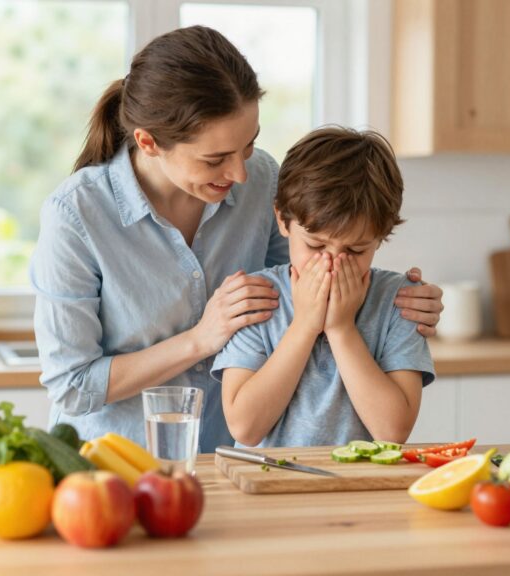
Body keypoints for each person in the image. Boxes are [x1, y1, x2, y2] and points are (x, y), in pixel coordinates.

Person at [30, 26, 443, 454]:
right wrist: (200, 339)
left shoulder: (262, 178)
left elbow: (303, 285)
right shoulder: (76, 214)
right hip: (116, 465)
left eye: (248, 145)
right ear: (149, 142)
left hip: (228, 464)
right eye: (216, 159)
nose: (241, 174)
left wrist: (401, 299)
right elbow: (73, 386)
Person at [212, 127, 435, 448]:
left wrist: (342, 329)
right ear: (282, 220)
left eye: (356, 250)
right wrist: (304, 324)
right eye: (315, 245)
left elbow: (393, 432)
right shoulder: (256, 298)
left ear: (381, 237)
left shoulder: (399, 301)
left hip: (362, 492)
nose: (332, 263)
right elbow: (245, 428)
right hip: (268, 491)